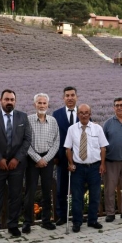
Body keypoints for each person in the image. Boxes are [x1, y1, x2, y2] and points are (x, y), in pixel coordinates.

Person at [0, 89, 32, 239]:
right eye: (6, 99)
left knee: (15, 196)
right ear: (1, 100)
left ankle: (13, 225)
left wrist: (16, 159)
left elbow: (27, 140)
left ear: (15, 101)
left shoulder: (23, 117)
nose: (9, 102)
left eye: (12, 99)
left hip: (16, 166)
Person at [65, 104, 107, 233]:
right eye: (81, 113)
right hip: (78, 168)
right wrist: (71, 163)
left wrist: (102, 164)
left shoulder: (97, 128)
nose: (84, 115)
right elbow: (67, 148)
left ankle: (92, 220)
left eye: (86, 113)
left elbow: (103, 148)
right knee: (77, 196)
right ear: (78, 114)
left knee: (95, 195)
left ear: (90, 114)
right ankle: (77, 222)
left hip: (94, 167)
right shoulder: (72, 129)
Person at [24, 93, 59, 232]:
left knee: (46, 191)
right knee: (30, 192)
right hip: (32, 160)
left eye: (44, 103)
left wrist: (46, 159)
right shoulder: (28, 120)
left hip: (47, 160)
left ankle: (46, 220)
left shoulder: (53, 121)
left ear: (48, 105)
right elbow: (25, 142)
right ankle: (27, 222)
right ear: (34, 105)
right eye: (39, 103)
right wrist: (37, 159)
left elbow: (56, 142)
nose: (42, 105)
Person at [51, 86, 78, 225]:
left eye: (72, 95)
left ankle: (78, 214)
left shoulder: (84, 112)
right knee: (61, 187)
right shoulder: (56, 114)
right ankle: (62, 215)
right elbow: (54, 135)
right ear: (63, 98)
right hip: (61, 157)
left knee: (78, 187)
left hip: (79, 157)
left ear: (76, 97)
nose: (70, 98)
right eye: (67, 95)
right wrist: (55, 155)